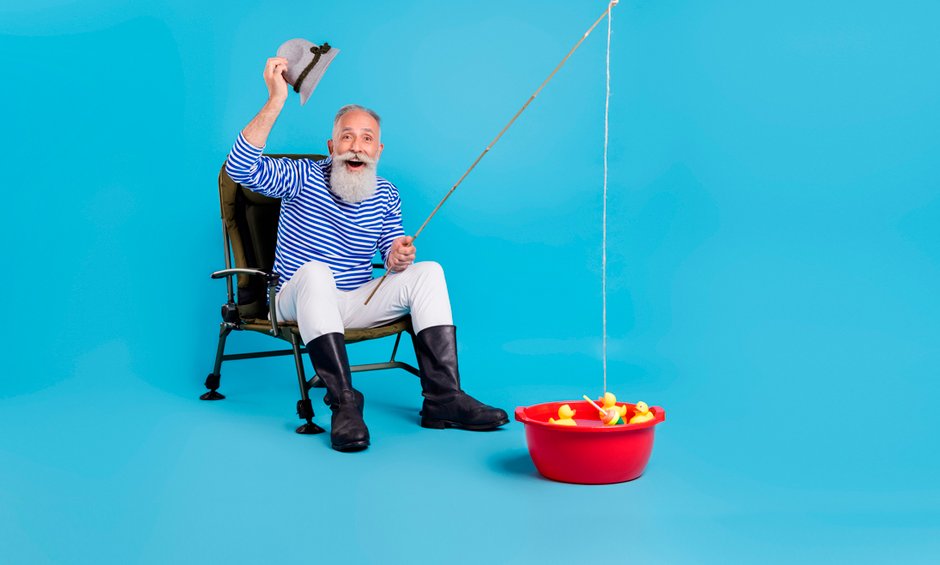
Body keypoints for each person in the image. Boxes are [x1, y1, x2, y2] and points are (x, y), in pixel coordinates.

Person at [225, 57, 508, 452]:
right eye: (347, 137)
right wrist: (276, 100)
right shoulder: (301, 176)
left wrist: (397, 256)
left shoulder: (386, 192)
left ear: (378, 149)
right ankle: (344, 404)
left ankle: (444, 399)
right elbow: (239, 169)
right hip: (295, 299)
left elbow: (390, 250)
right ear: (331, 147)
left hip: (354, 301)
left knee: (428, 271)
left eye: (366, 139)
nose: (356, 147)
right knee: (317, 273)